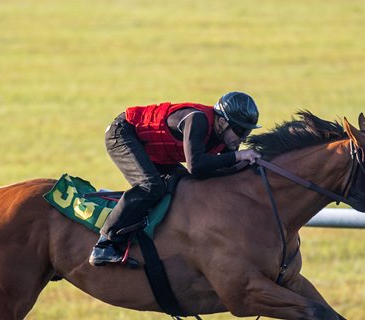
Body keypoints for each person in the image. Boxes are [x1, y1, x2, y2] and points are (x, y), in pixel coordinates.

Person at [89, 92, 262, 266]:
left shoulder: (225, 137)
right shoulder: (198, 120)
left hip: (155, 149)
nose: (243, 138)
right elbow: (196, 167)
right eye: (240, 131)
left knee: (186, 187)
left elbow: (223, 171)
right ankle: (105, 244)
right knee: (150, 186)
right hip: (123, 133)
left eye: (247, 131)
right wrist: (238, 156)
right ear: (222, 122)